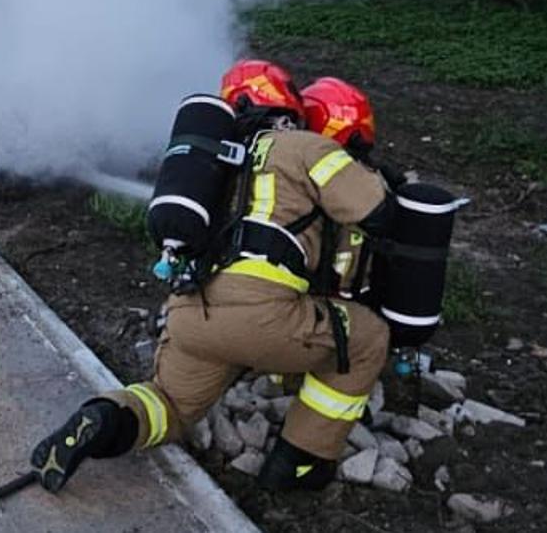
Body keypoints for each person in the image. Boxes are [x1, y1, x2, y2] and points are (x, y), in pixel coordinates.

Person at [31, 61, 394, 494]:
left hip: (191, 314)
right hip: (266, 317)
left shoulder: (218, 164)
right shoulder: (306, 148)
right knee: (368, 335)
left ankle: (105, 418)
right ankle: (299, 462)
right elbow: (378, 212)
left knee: (169, 406)